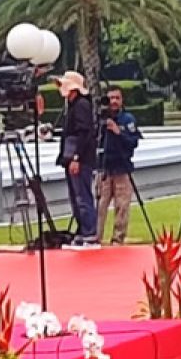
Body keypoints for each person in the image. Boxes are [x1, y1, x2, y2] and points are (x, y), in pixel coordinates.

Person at [54, 71, 99, 250]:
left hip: (79, 158)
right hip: (73, 156)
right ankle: (83, 230)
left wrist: (76, 157)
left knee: (82, 195)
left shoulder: (80, 105)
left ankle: (89, 231)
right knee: (77, 196)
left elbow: (84, 133)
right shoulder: (73, 105)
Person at [95, 86, 142, 246]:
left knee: (122, 206)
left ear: (122, 101)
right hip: (104, 168)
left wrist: (118, 132)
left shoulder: (127, 119)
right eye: (111, 98)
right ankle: (95, 237)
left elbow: (133, 142)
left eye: (117, 98)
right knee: (100, 206)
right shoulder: (99, 120)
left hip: (122, 168)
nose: (114, 101)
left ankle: (118, 238)